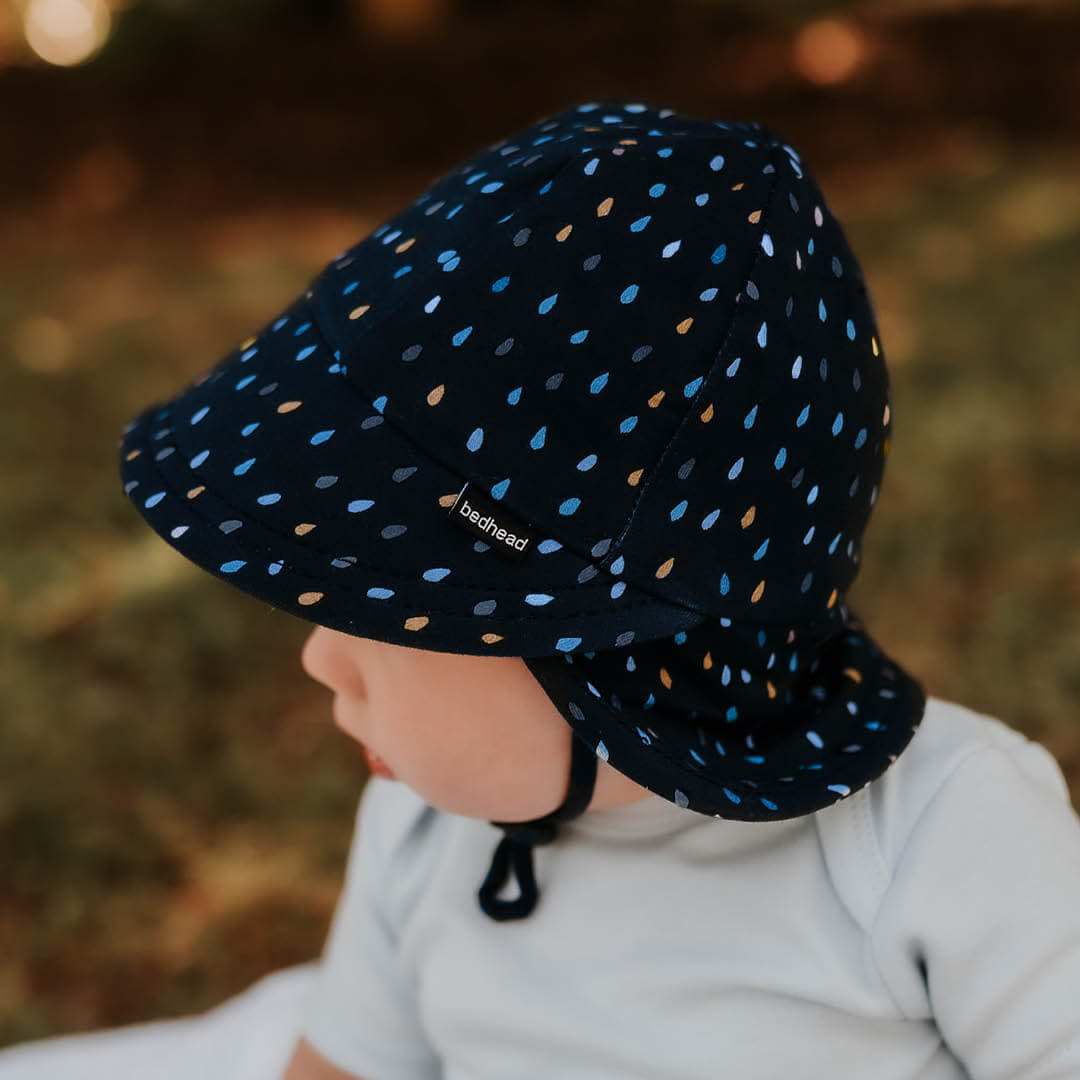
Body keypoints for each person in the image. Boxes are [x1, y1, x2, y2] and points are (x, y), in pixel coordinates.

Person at [2, 98, 1079, 1080]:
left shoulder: (940, 833)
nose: (319, 658)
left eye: (379, 610)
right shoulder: (422, 830)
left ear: (613, 662)